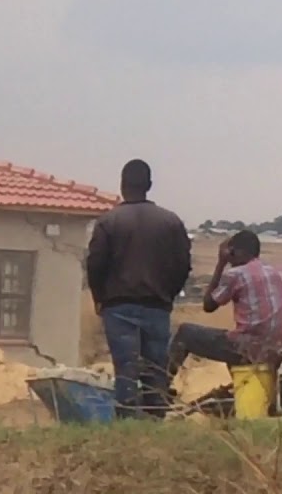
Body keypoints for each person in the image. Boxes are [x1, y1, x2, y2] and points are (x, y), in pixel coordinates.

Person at [86, 159, 192, 417]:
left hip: (118, 307)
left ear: (122, 185)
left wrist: (99, 297)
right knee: (155, 369)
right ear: (149, 185)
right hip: (157, 306)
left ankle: (127, 421)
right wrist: (168, 295)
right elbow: (183, 265)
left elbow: (95, 264)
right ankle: (154, 419)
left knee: (126, 369)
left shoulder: (108, 222)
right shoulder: (171, 222)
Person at [167, 230, 282, 384]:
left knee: (185, 332)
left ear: (234, 252)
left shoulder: (235, 275)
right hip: (275, 348)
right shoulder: (281, 272)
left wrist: (221, 263)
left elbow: (209, 305)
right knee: (231, 336)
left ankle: (163, 384)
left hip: (246, 349)